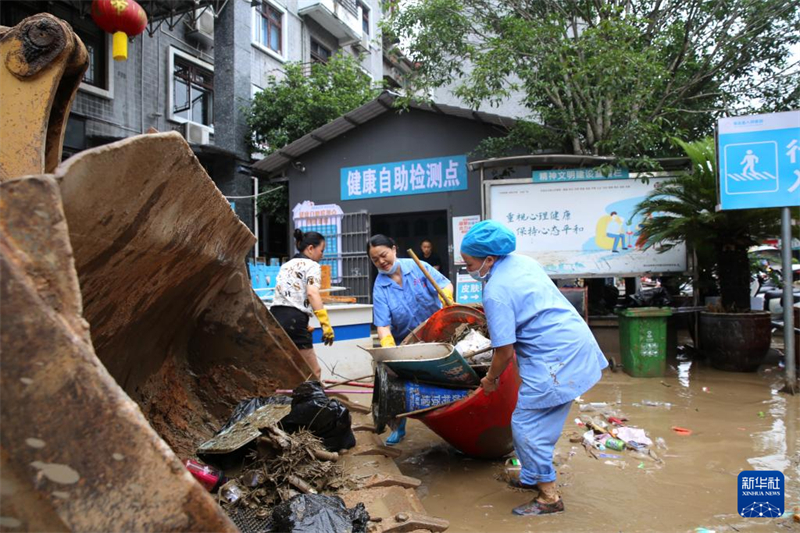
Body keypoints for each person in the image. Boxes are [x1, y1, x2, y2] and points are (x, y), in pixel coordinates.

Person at [460, 220, 607, 516]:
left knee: (526, 425)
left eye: (470, 263)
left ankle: (549, 496)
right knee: (544, 422)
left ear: (489, 259)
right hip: (575, 343)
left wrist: (490, 379)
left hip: (556, 359)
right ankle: (534, 475)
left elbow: (504, 352)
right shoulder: (522, 262)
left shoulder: (495, 291)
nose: (468, 269)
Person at [368, 234, 454, 445]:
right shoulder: (380, 287)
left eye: (383, 255)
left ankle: (452, 419)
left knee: (448, 377)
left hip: (437, 334)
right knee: (393, 380)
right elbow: (383, 325)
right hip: (405, 341)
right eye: (375, 259)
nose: (381, 261)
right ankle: (398, 426)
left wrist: (447, 297)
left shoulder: (417, 266)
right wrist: (389, 348)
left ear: (394, 249)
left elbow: (445, 284)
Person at [271, 229, 335, 381]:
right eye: (322, 250)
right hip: (294, 320)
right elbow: (312, 293)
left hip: (274, 317)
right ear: (311, 248)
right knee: (313, 372)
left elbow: (287, 297)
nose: (322, 255)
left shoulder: (286, 265)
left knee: (288, 370)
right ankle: (313, 397)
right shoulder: (312, 265)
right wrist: (325, 324)